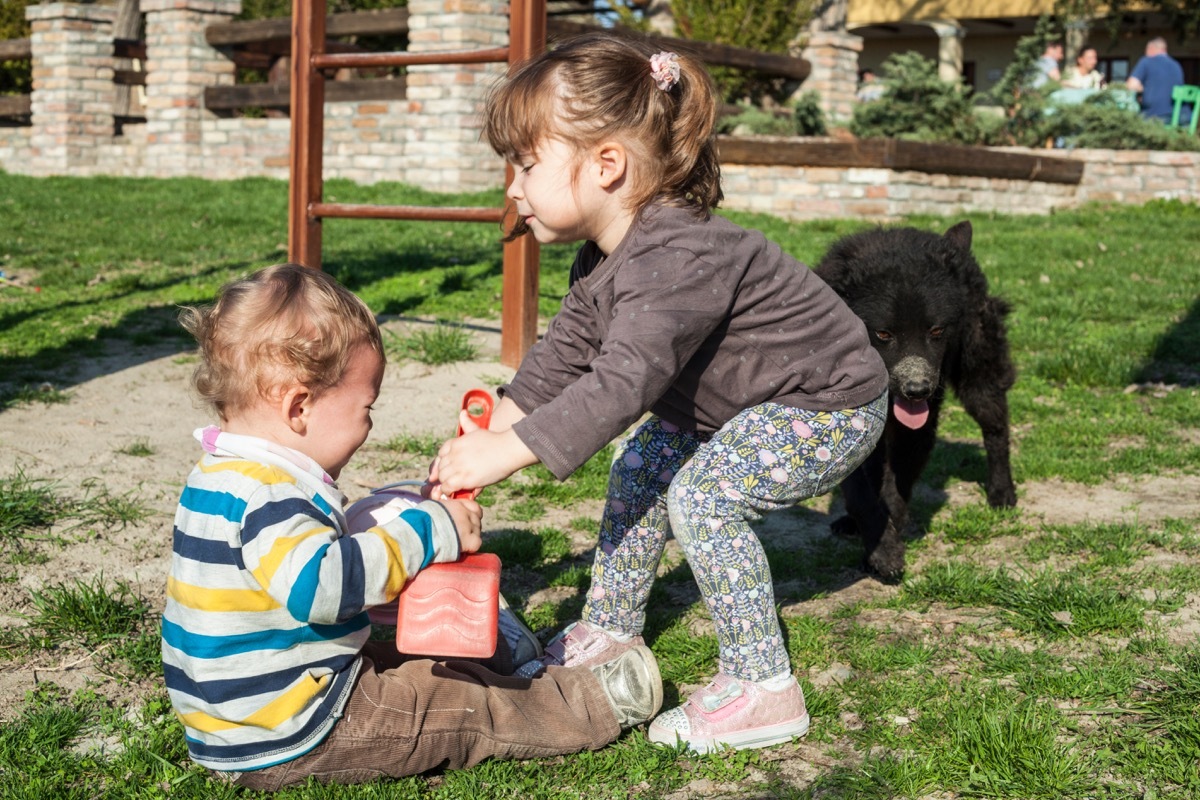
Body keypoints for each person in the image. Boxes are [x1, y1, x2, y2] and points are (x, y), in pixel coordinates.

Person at [428, 33, 889, 754]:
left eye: (525, 163)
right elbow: (565, 357)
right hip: (741, 406)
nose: (512, 187)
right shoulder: (604, 255)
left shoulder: (677, 251)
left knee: (702, 496)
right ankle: (611, 630)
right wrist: (491, 430)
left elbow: (622, 384)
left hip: (825, 405)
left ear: (606, 164)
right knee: (640, 468)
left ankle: (764, 687)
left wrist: (507, 455)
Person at [162, 263, 663, 790]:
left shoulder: (221, 473)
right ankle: (594, 702)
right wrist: (429, 528)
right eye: (365, 408)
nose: (369, 426)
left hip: (241, 716)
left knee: (414, 661)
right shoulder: (271, 492)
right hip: (297, 726)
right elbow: (322, 589)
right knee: (453, 708)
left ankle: (501, 655)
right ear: (299, 406)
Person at [1127, 37, 1187, 122]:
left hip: (1156, 116)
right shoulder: (1176, 65)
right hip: (1182, 117)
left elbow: (1131, 85)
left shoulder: (1146, 61)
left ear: (1151, 48)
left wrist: (1143, 89)